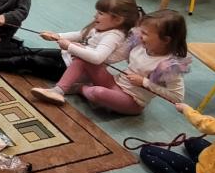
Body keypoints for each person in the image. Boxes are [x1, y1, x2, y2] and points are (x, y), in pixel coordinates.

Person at [52, 9, 189, 115]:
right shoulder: (140, 45)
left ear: (166, 40)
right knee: (84, 59)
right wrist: (84, 50)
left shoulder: (169, 66)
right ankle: (58, 90)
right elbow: (110, 57)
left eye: (146, 34)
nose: (140, 35)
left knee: (98, 92)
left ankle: (80, 88)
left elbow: (176, 98)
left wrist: (144, 82)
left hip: (132, 100)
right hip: (114, 83)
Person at [28, 0, 140, 106]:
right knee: (31, 52)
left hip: (73, 68)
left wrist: (69, 46)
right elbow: (81, 34)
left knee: (29, 60)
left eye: (100, 13)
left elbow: (97, 58)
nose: (95, 15)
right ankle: (58, 90)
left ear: (117, 20)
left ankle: (59, 91)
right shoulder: (104, 26)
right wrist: (57, 36)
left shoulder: (114, 36)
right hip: (67, 56)